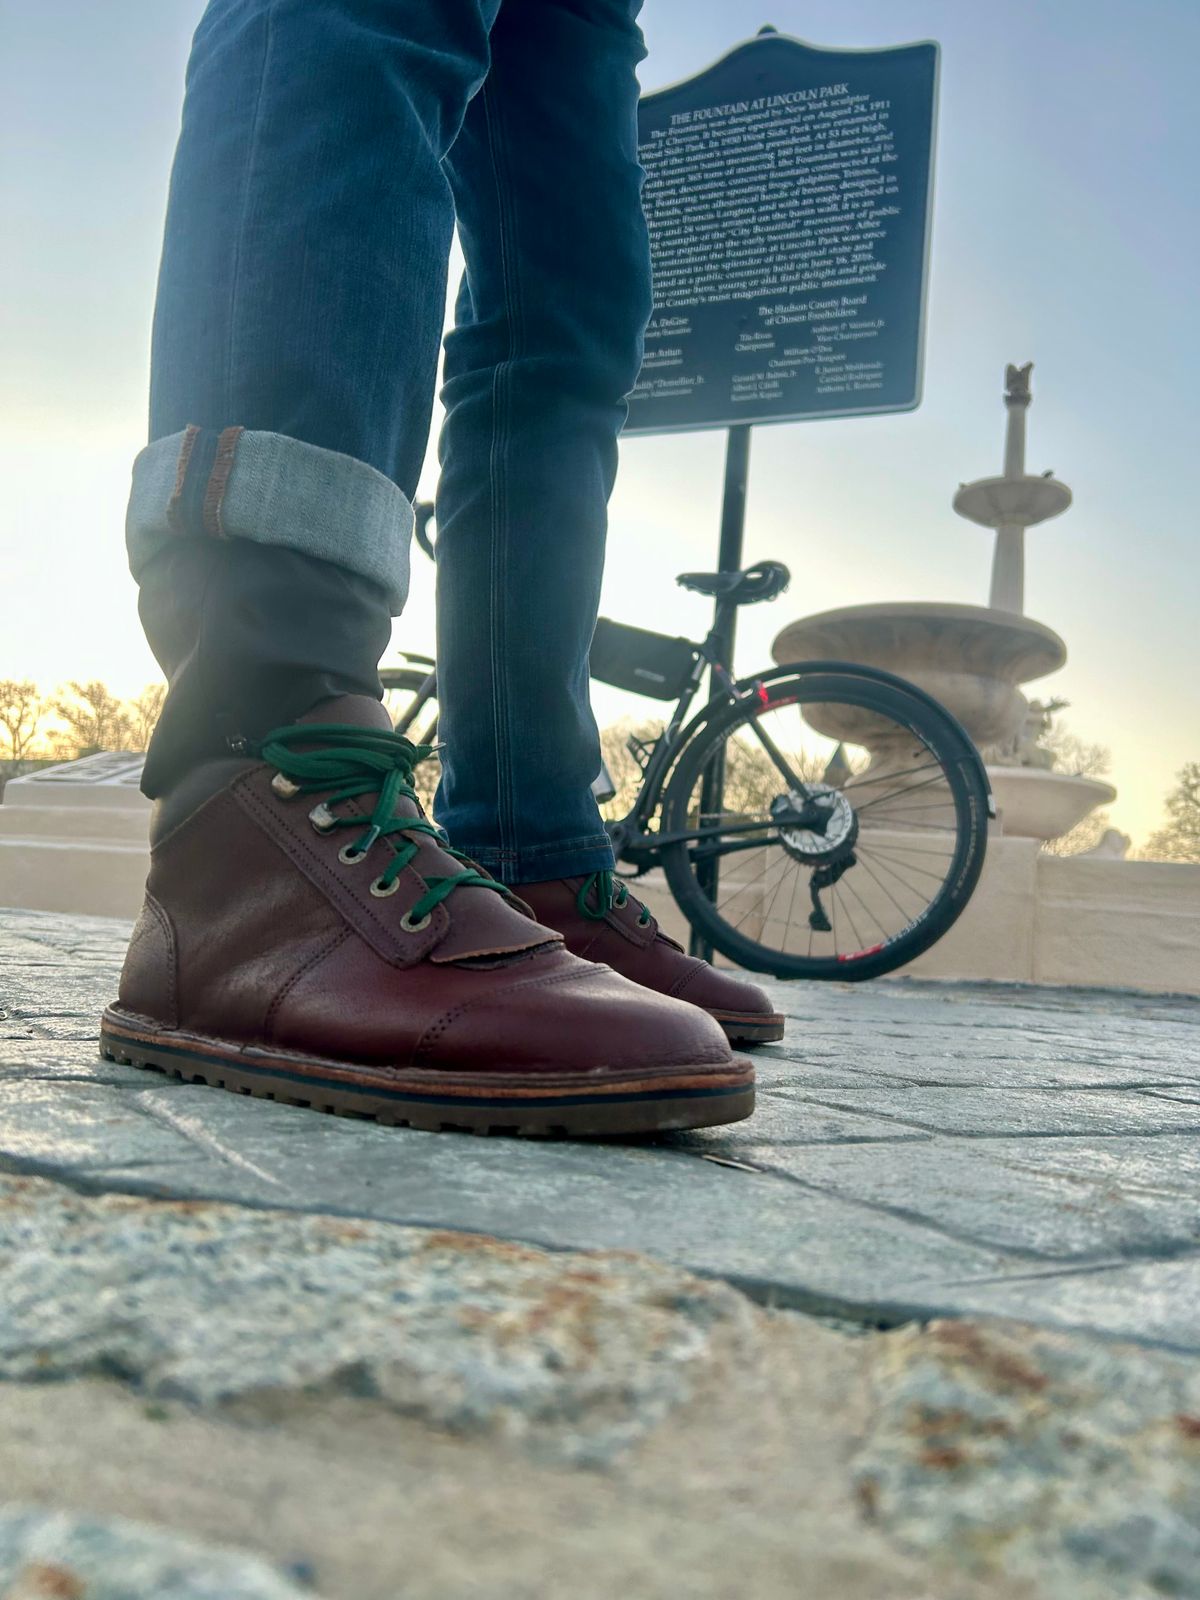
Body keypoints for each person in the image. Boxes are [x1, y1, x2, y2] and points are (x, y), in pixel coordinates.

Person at [101, 0, 783, 1138]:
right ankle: (260, 766)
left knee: (572, 300)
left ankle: (532, 851)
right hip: (253, 772)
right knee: (367, 21)